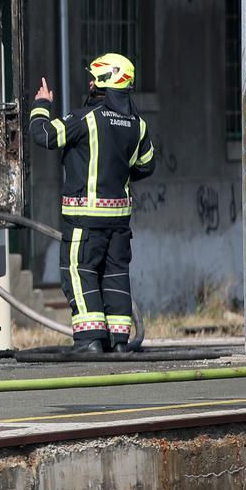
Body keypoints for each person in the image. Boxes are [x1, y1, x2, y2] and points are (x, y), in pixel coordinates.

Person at [29, 53, 155, 353]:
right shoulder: (137, 124)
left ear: (100, 83)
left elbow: (45, 135)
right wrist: (117, 176)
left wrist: (41, 105)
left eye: (93, 78)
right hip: (120, 222)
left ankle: (89, 340)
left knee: (79, 271)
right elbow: (147, 165)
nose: (89, 82)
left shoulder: (85, 118)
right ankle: (119, 340)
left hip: (84, 220)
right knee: (115, 276)